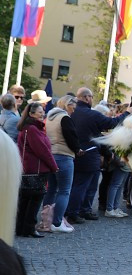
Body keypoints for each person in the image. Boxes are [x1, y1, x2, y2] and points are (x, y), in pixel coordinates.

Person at [65, 87, 121, 224]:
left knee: (81, 185)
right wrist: (128, 113)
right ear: (86, 98)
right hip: (88, 155)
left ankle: (82, 210)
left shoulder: (73, 113)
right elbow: (112, 123)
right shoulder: (91, 114)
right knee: (81, 186)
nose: (92, 99)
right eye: (91, 96)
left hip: (77, 154)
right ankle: (73, 212)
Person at [16, 101, 58, 238]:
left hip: (29, 168)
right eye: (40, 112)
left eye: (42, 111)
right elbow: (42, 151)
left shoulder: (28, 127)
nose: (42, 114)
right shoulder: (33, 129)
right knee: (34, 200)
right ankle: (28, 228)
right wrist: (53, 166)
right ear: (31, 114)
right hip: (36, 169)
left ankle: (21, 228)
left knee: (26, 200)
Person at [42, 94, 81, 233]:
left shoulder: (49, 117)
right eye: (73, 107)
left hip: (51, 155)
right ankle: (57, 222)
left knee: (51, 189)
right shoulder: (65, 118)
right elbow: (71, 138)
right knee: (64, 191)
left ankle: (45, 220)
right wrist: (78, 150)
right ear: (67, 105)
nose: (74, 110)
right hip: (64, 156)